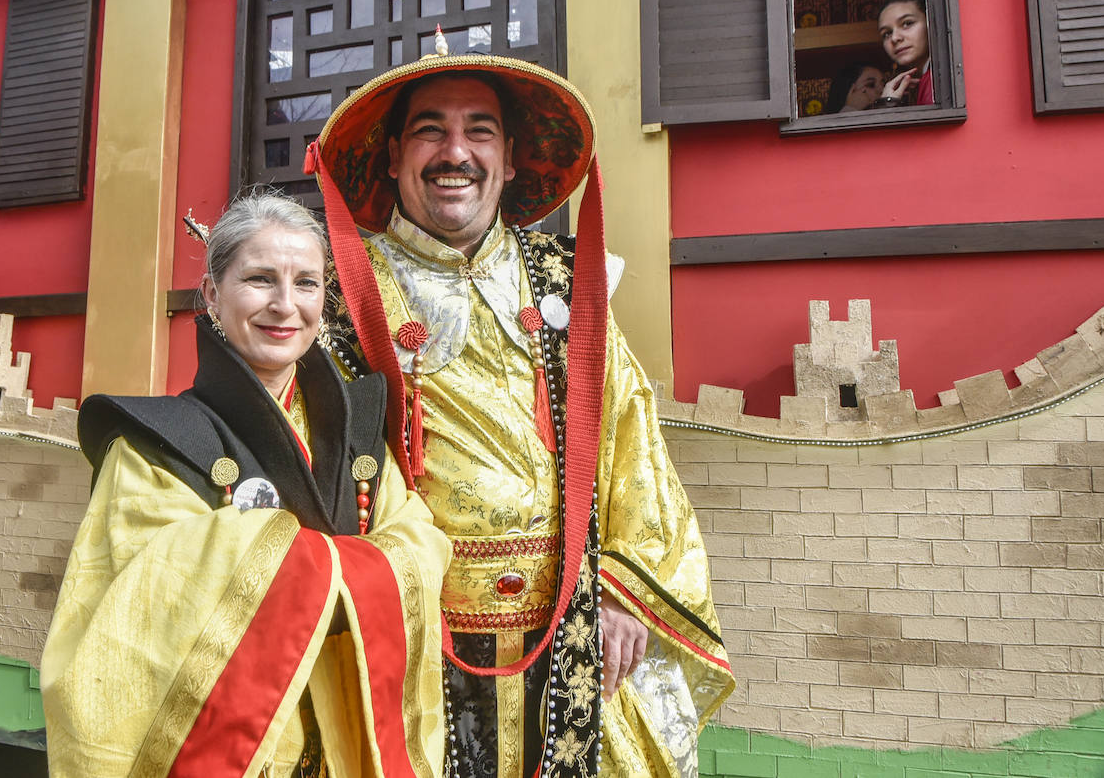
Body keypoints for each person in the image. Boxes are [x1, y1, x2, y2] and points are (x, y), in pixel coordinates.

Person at [306, 39, 734, 778]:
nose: (455, 152)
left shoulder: (570, 282)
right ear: (392, 157)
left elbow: (632, 439)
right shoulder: (337, 288)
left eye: (479, 130)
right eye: (429, 129)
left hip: (568, 619)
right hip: (406, 628)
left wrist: (627, 588)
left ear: (509, 159)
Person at [40, 192, 450, 778]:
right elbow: (139, 608)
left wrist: (279, 558)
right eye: (260, 279)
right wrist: (349, 567)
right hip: (243, 755)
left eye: (306, 284)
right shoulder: (157, 445)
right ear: (212, 294)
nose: (286, 306)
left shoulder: (358, 432)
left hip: (347, 747)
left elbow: (420, 543)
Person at [876, 0, 933, 106]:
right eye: (887, 33)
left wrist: (888, 105)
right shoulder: (927, 78)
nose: (895, 38)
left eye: (907, 23)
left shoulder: (937, 80)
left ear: (931, 22)